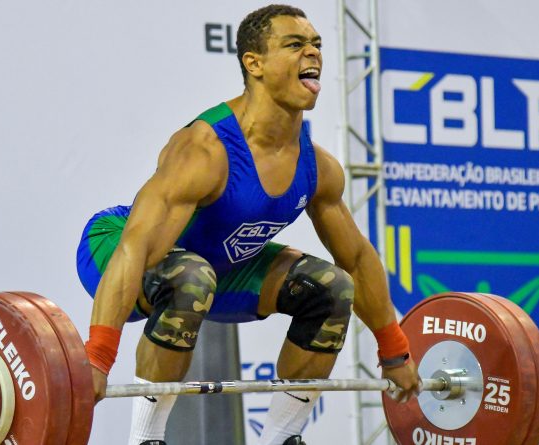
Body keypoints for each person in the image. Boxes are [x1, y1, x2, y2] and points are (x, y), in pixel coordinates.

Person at [76, 5, 420, 445]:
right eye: (294, 45)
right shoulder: (205, 150)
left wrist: (394, 350)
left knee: (331, 288)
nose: (312, 53)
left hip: (221, 265)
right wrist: (98, 356)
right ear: (253, 63)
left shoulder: (319, 168)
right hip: (116, 248)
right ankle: (146, 438)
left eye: (316, 44)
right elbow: (136, 251)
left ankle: (279, 437)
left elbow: (356, 258)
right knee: (190, 276)